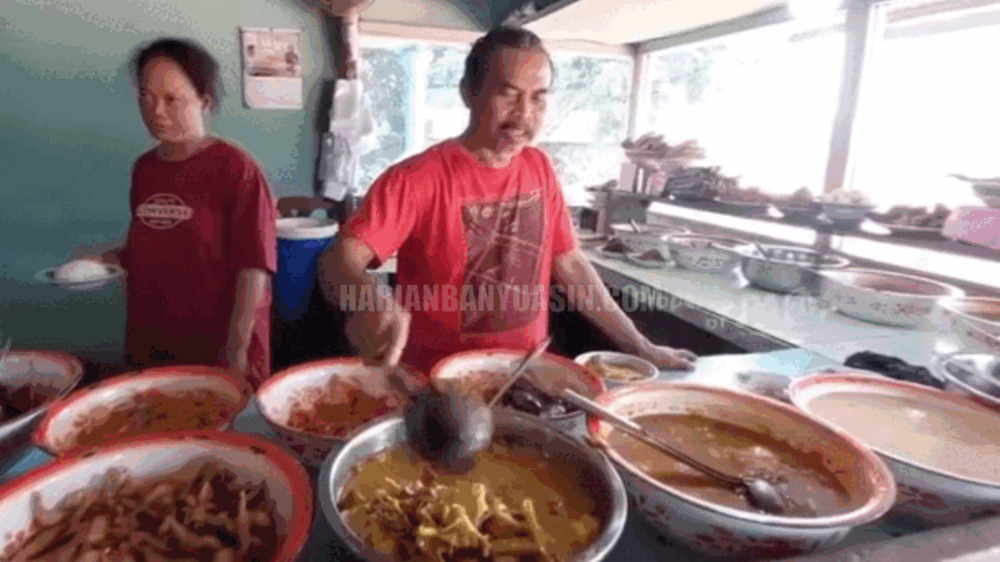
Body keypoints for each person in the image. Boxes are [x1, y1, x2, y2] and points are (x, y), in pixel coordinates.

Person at [319, 27, 696, 384]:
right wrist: (368, 298)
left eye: (538, 97)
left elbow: (570, 263)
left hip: (525, 377)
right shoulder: (417, 177)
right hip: (436, 390)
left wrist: (640, 345)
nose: (523, 114)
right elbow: (338, 260)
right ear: (469, 92)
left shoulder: (540, 168)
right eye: (508, 94)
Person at [93, 38, 277, 388]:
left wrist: (235, 355)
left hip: (220, 351)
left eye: (171, 99)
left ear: (204, 101)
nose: (156, 111)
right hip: (154, 344)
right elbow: (153, 245)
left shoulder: (236, 168)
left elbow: (254, 268)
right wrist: (100, 263)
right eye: (146, 98)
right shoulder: (144, 169)